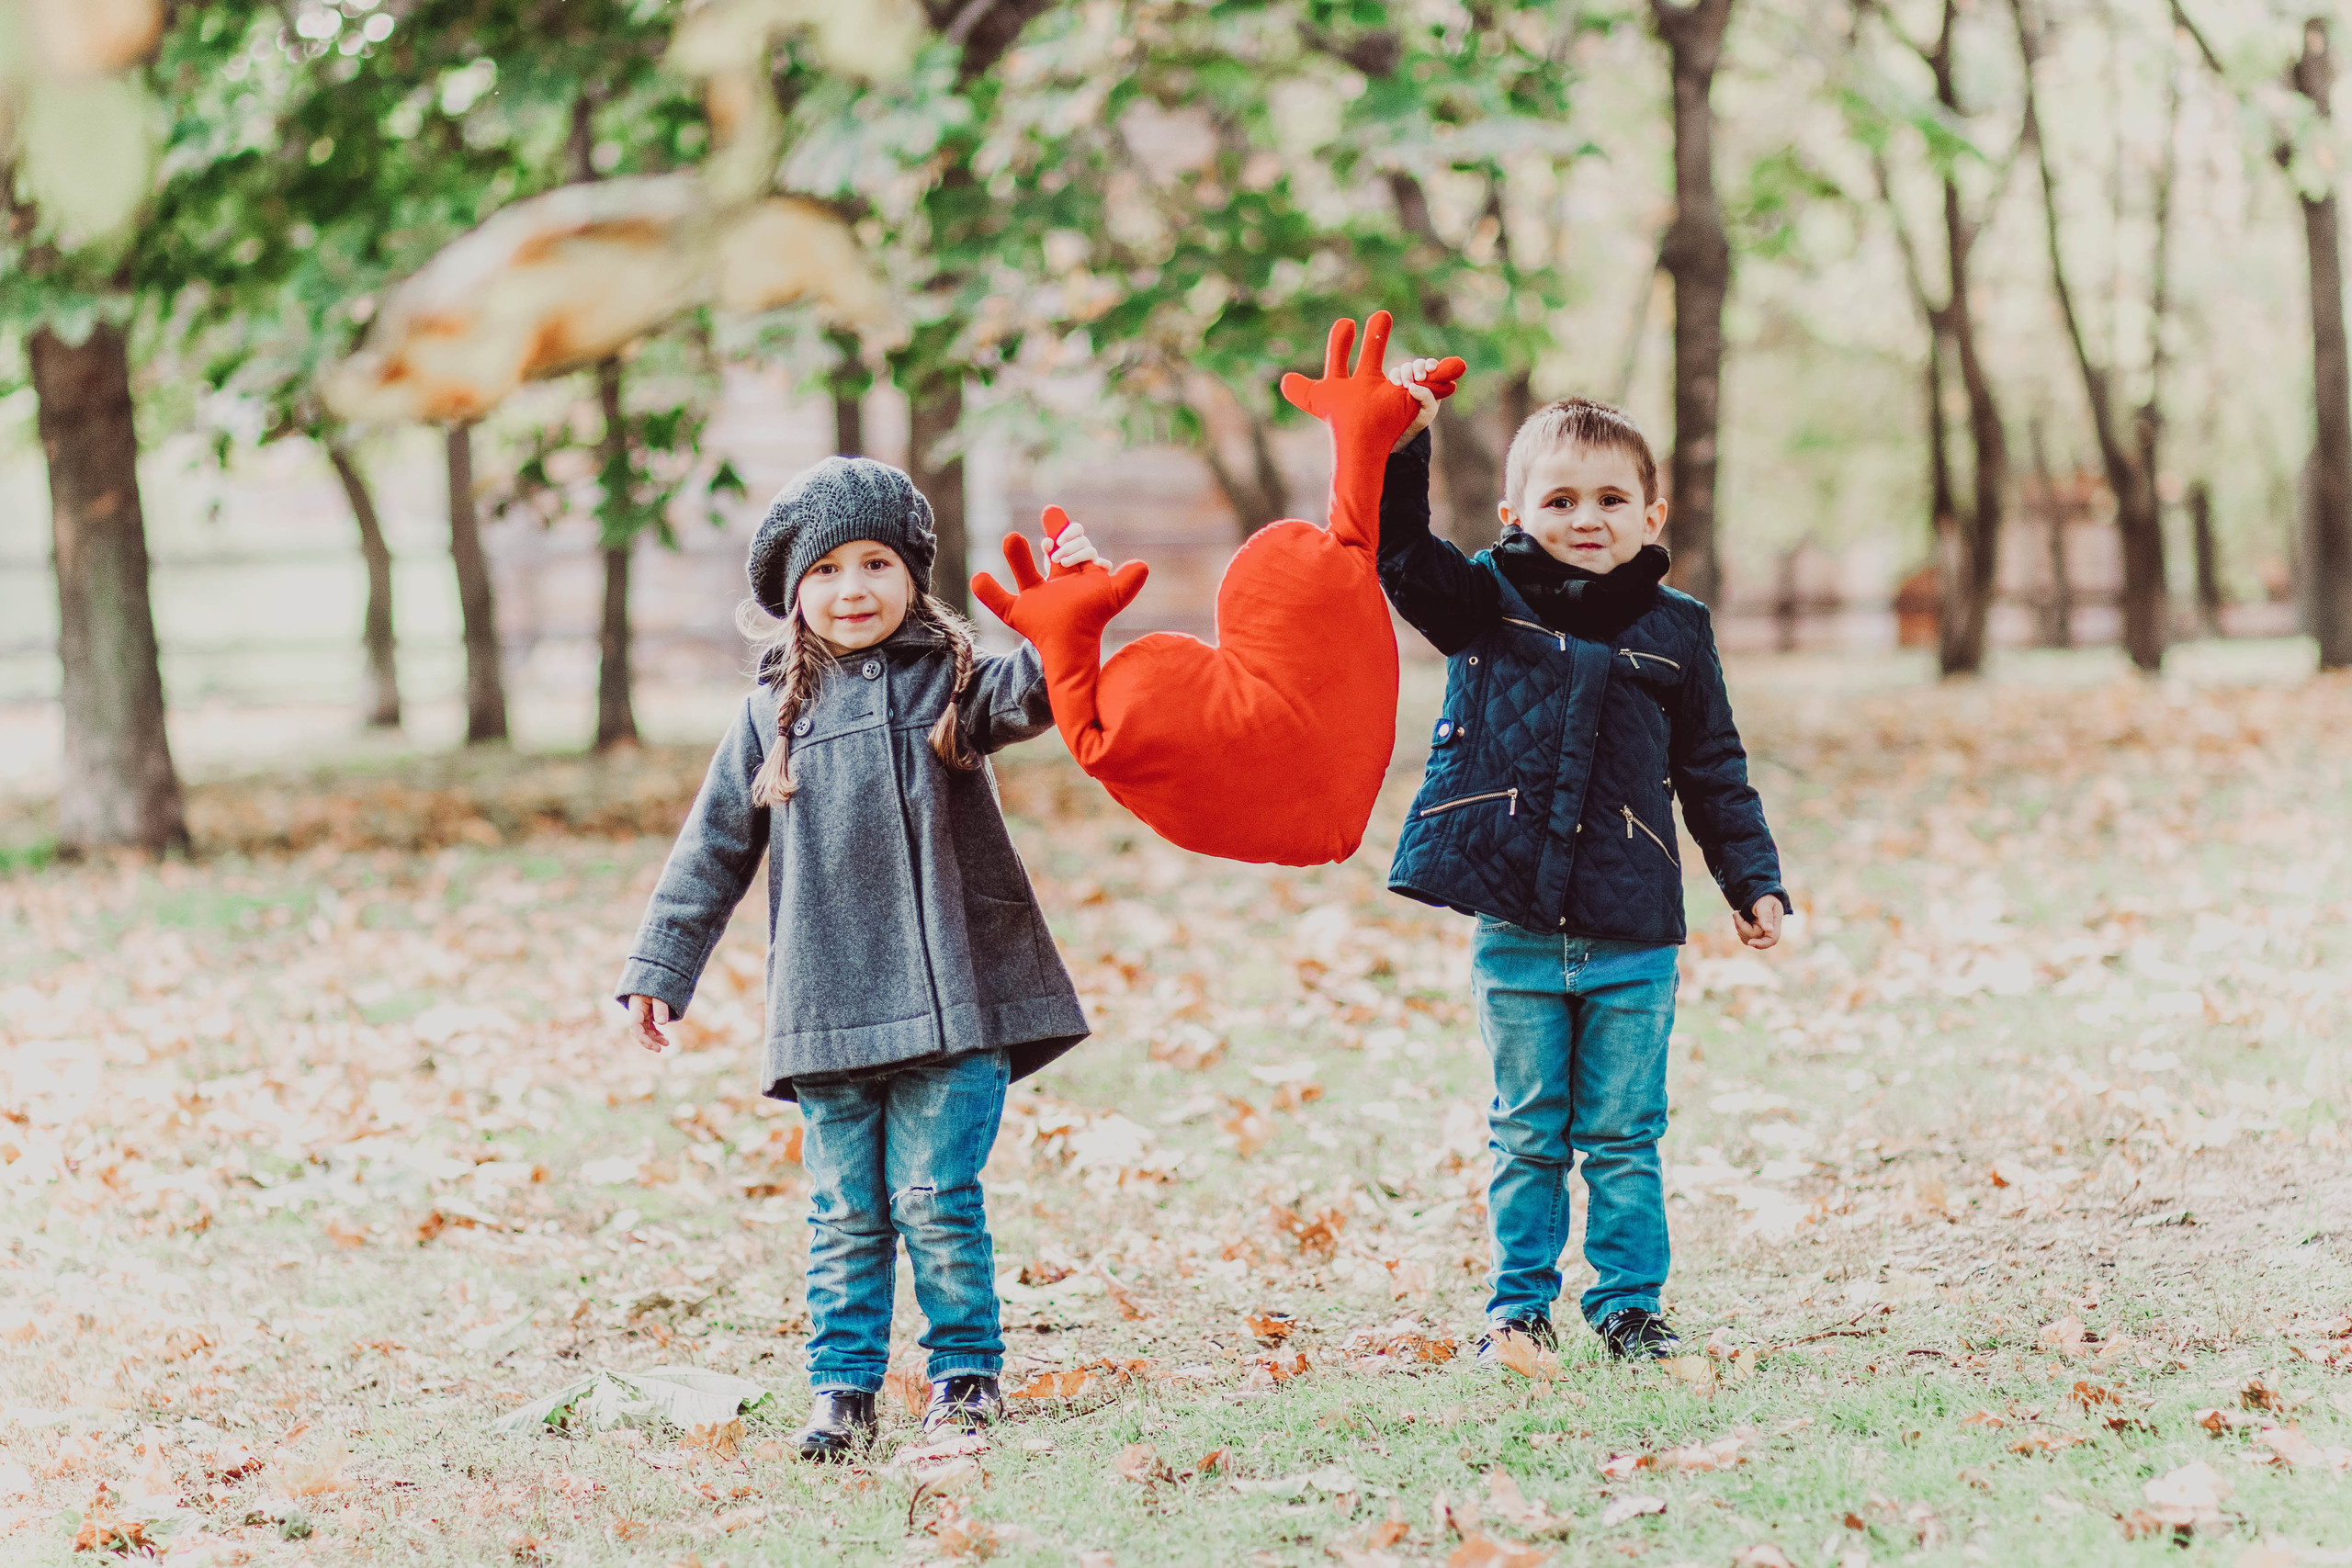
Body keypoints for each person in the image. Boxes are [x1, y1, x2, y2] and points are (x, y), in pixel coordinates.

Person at [615, 457, 1101, 1458]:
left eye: (876, 562)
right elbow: (710, 851)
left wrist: (1071, 609)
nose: (852, 588)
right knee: (843, 1212)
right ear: (793, 592)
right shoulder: (768, 718)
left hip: (954, 1002)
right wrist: (659, 969)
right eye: (827, 569)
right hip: (827, 1011)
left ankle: (965, 1373)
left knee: (935, 1198)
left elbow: (1044, 689)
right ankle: (842, 1391)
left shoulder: (954, 685)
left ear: (914, 576)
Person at [1374, 370, 1789, 1362]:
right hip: (1514, 924)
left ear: (1650, 515)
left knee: (1622, 1136)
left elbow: (1712, 766)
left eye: (1610, 500)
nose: (1586, 519)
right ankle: (1517, 1307)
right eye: (1559, 501)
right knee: (1525, 1134)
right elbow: (1398, 557)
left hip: (1631, 932)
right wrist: (1402, 447)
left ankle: (1629, 1305)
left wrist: (1751, 877)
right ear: (1516, 514)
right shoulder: (1484, 600)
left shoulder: (1677, 629)